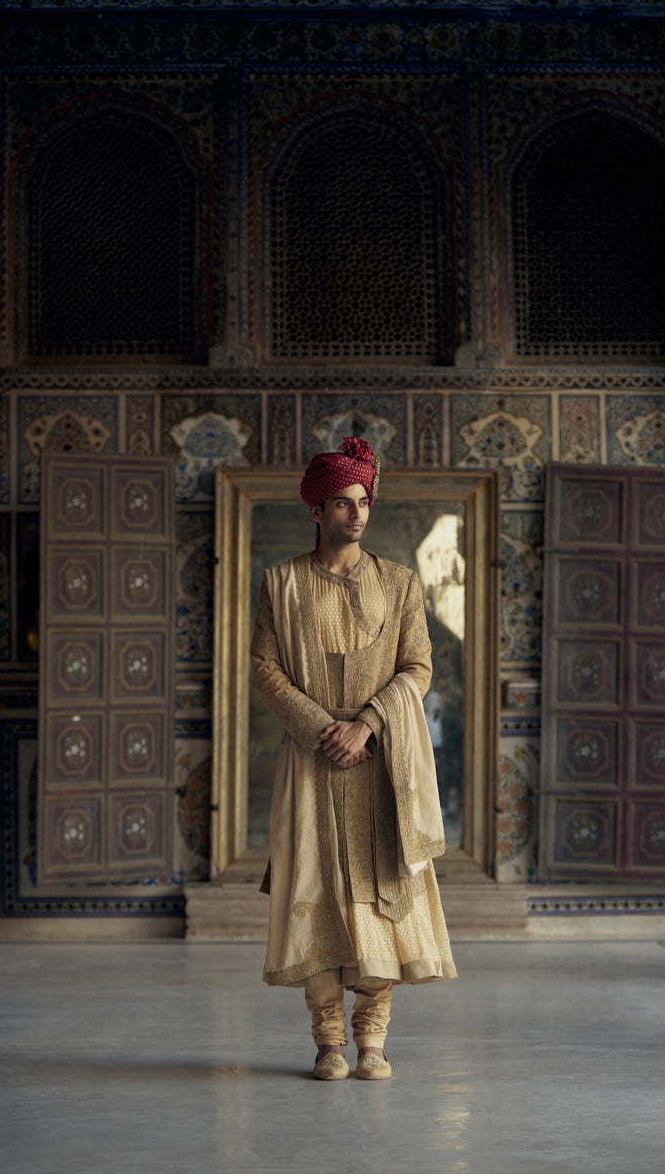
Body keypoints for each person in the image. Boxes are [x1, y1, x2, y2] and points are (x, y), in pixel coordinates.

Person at [250, 436, 457, 1082]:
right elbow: (264, 669)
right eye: (342, 502)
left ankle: (372, 1039)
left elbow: (418, 667)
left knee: (377, 897)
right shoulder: (281, 583)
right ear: (315, 510)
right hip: (313, 764)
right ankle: (327, 1041)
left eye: (363, 501)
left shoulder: (398, 584)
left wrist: (366, 724)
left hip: (379, 763)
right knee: (314, 890)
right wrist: (321, 728)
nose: (357, 514)